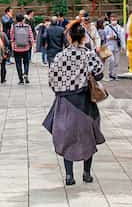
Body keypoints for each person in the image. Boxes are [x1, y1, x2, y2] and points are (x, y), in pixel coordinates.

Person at [42, 21, 106, 185]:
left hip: (64, 100)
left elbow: (52, 79)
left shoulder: (60, 56)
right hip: (84, 100)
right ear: (84, 37)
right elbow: (99, 74)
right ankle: (86, 173)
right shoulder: (88, 54)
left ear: (69, 37)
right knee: (88, 135)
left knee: (66, 135)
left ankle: (69, 175)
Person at [11, 13, 34, 84]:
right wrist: (32, 45)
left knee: (18, 64)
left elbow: (12, 38)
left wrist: (12, 47)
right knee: (26, 62)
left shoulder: (14, 27)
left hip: (16, 48)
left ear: (16, 20)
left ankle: (21, 79)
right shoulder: (28, 26)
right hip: (26, 48)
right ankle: (26, 74)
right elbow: (31, 37)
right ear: (23, 19)